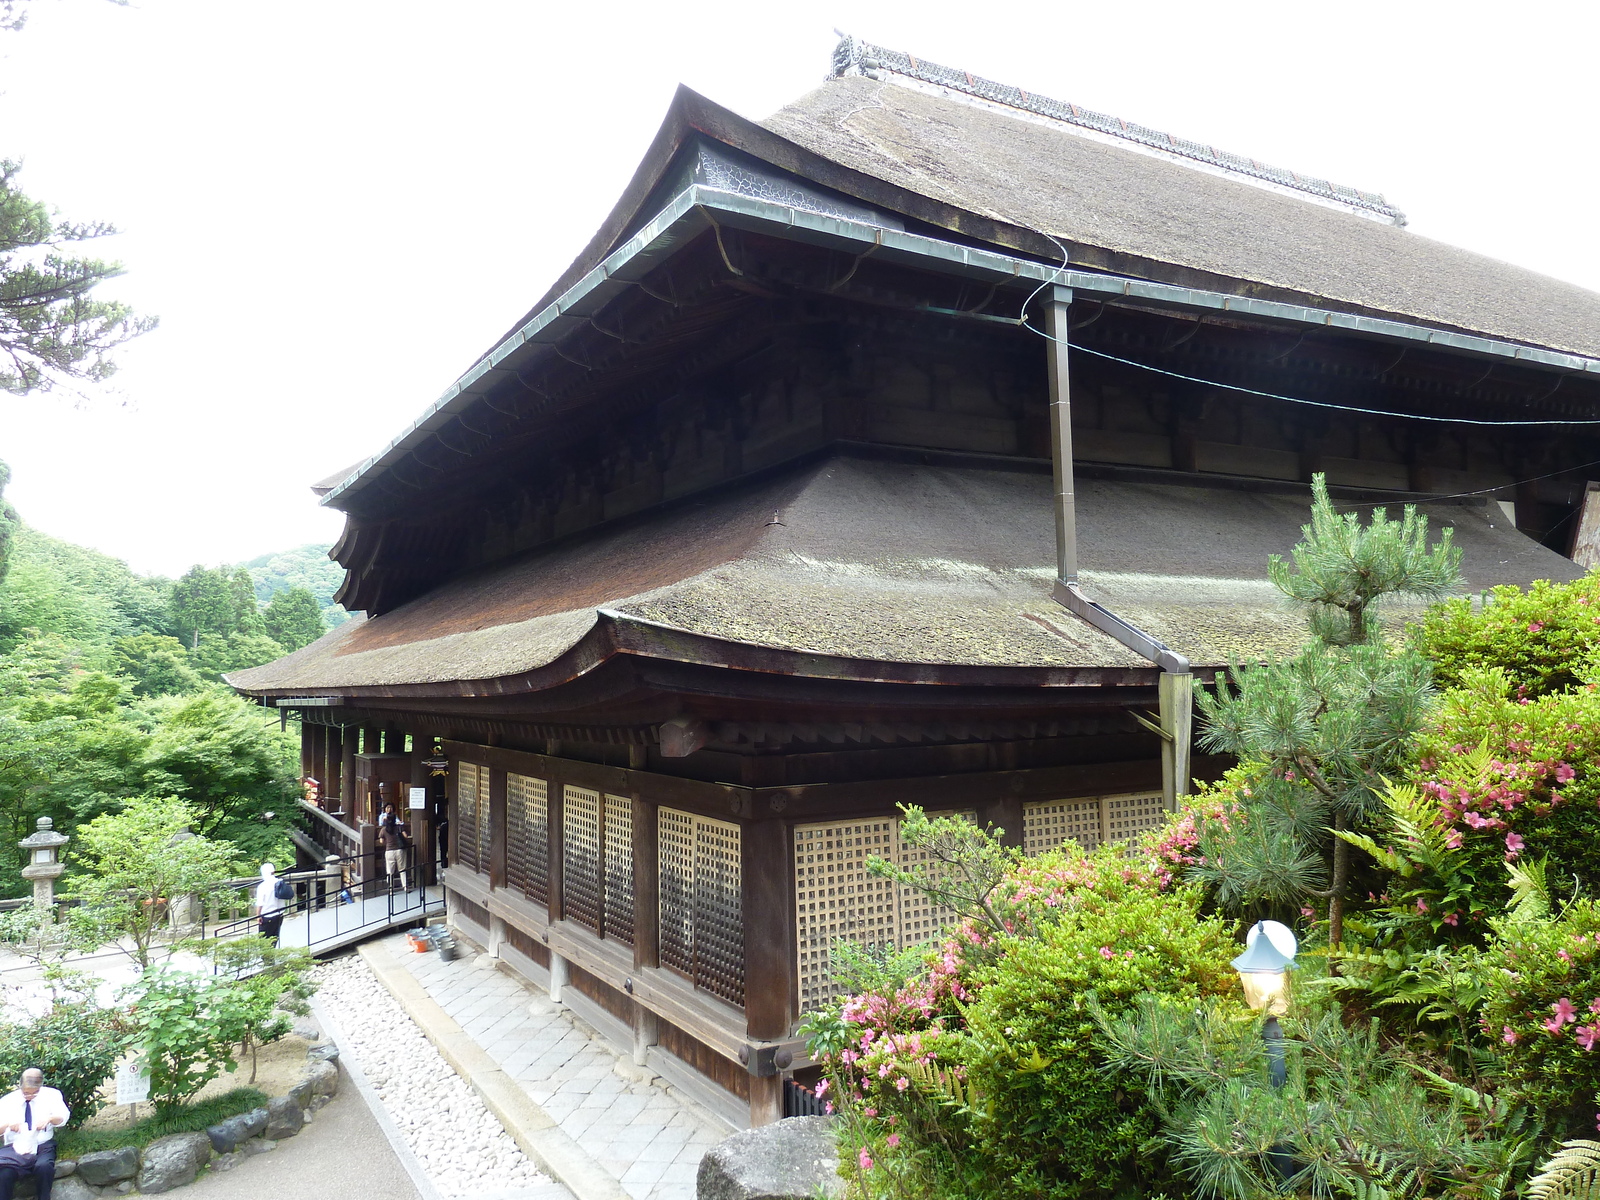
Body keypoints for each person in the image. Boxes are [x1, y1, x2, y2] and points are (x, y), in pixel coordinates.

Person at [0, 1067, 68, 1200]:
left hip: (42, 1144)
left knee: (44, 1167)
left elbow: (63, 1118)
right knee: (5, 1173)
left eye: (34, 1093)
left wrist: (49, 1119)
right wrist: (8, 1124)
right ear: (20, 1086)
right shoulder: (7, 1101)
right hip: (15, 1147)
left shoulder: (52, 1095)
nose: (29, 1096)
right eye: (26, 1093)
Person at [378, 802, 411, 890]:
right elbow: (405, 836)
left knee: (390, 871)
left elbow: (381, 841)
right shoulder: (399, 827)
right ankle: (405, 886)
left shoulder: (383, 830)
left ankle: (390, 889)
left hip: (389, 851)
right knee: (402, 869)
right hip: (400, 850)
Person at [254, 862, 288, 943]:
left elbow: (260, 903)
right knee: (275, 936)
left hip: (267, 915)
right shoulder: (280, 882)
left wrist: (258, 916)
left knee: (264, 939)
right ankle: (273, 952)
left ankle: (266, 955)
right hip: (279, 913)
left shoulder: (263, 886)